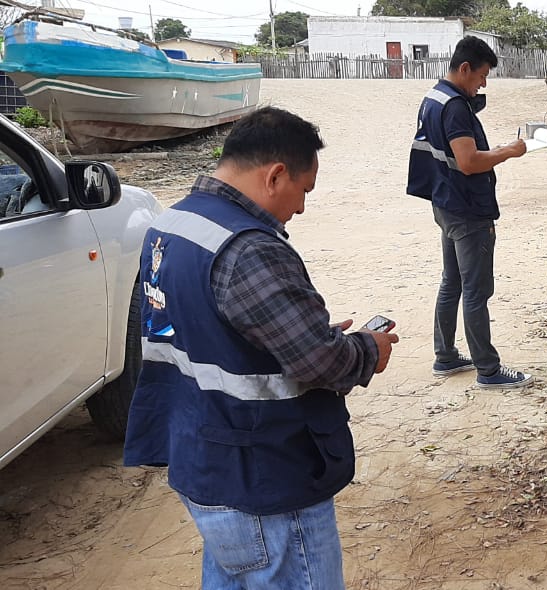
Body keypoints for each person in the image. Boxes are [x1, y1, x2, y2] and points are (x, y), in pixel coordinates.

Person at [123, 106, 398, 589]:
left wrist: (295, 333)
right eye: (304, 190)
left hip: (201, 456)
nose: (301, 208)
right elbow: (321, 362)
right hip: (263, 474)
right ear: (275, 176)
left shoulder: (173, 223)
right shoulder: (249, 248)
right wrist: (366, 349)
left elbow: (201, 330)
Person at [407, 35, 533, 389]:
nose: (483, 84)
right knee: (476, 292)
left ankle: (446, 355)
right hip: (468, 210)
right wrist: (508, 151)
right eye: (481, 76)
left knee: (452, 282)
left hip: (445, 204)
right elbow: (468, 161)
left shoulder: (434, 97)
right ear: (464, 68)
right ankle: (488, 370)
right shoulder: (455, 107)